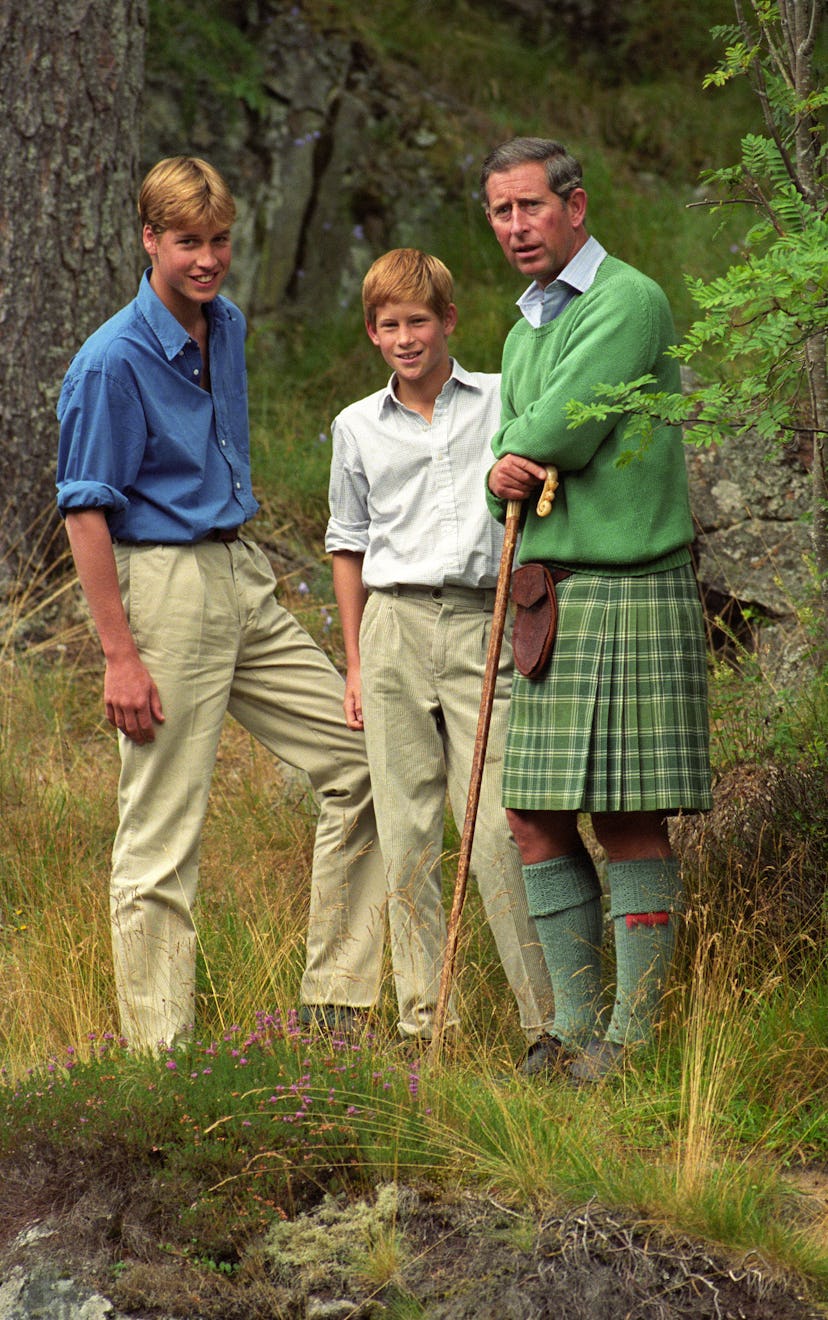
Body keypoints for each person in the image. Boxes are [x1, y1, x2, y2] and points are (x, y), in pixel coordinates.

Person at [56, 156, 387, 1052]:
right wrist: (119, 655)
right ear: (149, 239)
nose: (207, 259)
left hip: (240, 575)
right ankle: (160, 1065)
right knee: (163, 832)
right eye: (187, 242)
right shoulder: (112, 360)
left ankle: (335, 1010)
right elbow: (86, 512)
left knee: (366, 762)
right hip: (161, 587)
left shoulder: (226, 324)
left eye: (220, 241)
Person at [480, 137, 712, 1083]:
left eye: (531, 206)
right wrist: (509, 453)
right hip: (552, 596)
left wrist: (516, 450)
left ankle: (635, 1039)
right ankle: (572, 1031)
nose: (516, 227)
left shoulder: (628, 298)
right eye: (500, 212)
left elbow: (557, 431)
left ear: (575, 205)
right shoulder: (523, 325)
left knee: (626, 819)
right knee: (532, 816)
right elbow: (503, 450)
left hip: (629, 586)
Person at [325, 247, 556, 1064]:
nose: (405, 338)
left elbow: (539, 480)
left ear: (448, 321)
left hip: (481, 623)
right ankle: (427, 1025)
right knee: (409, 833)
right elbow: (348, 545)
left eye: (418, 321)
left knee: (499, 827)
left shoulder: (500, 398)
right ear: (373, 334)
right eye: (388, 325)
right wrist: (356, 661)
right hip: (391, 628)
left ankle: (546, 1024)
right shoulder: (356, 426)